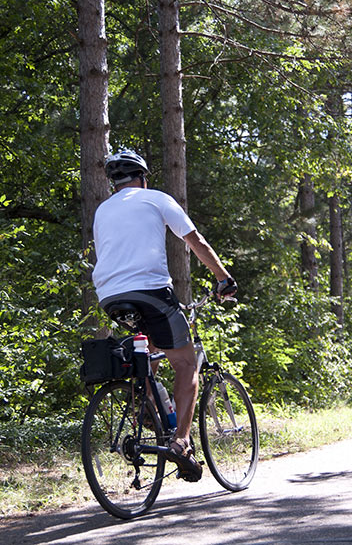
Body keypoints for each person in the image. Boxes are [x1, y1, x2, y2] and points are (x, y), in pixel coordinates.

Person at [92, 150, 237, 482]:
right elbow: (194, 240)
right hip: (151, 291)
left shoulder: (103, 210)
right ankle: (182, 443)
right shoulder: (157, 199)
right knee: (186, 364)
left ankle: (148, 407)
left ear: (114, 183)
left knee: (150, 351)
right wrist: (223, 279)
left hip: (110, 295)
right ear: (143, 178)